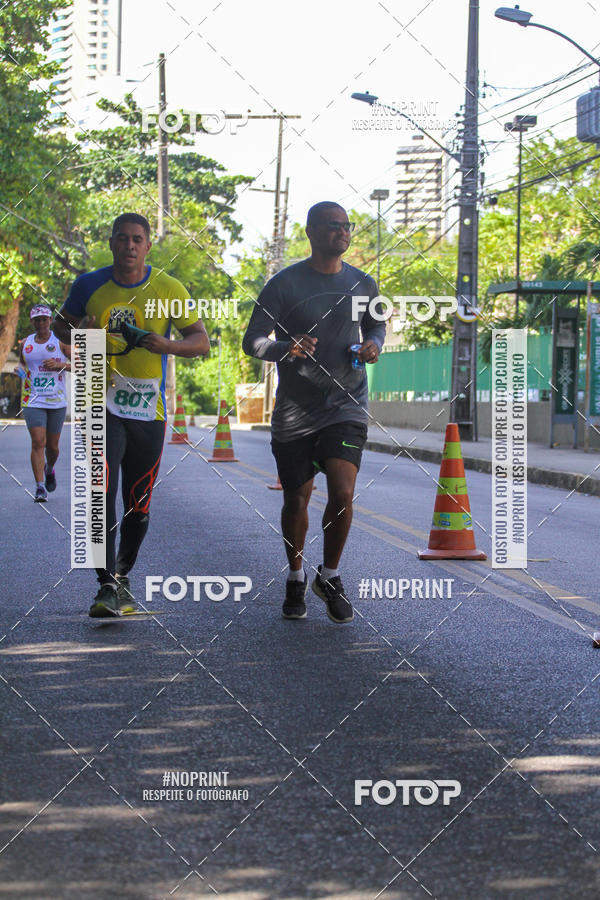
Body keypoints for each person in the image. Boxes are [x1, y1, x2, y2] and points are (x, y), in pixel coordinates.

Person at [54, 213, 209, 617]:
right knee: (100, 492)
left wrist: (168, 346)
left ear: (148, 246)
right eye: (122, 239)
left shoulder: (168, 288)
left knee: (138, 501)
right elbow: (59, 328)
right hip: (98, 401)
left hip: (147, 408)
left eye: (137, 240)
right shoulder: (88, 285)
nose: (129, 246)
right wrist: (80, 333)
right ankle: (104, 585)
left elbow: (201, 341)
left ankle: (123, 576)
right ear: (111, 243)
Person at [242, 201, 385, 623]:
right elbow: (252, 340)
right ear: (311, 231)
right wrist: (286, 348)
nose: (343, 232)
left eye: (347, 226)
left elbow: (376, 325)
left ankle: (331, 574)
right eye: (333, 225)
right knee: (297, 497)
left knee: (342, 491)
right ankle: (296, 575)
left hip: (346, 403)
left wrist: (374, 344)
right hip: (294, 411)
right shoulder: (283, 285)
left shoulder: (363, 283)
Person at [18, 305, 71, 502]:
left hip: (56, 401)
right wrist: (19, 369)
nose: (41, 323)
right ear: (32, 322)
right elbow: (23, 364)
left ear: (50, 321)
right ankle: (40, 487)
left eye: (44, 319)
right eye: (37, 320)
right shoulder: (26, 343)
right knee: (38, 442)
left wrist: (61, 365)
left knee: (53, 447)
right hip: (32, 399)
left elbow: (82, 364)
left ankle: (50, 468)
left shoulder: (62, 342)